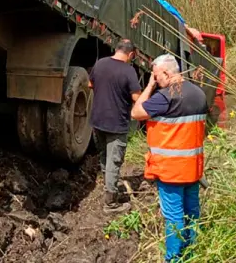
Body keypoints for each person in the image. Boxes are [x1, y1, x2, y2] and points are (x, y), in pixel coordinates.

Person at [132, 54, 208, 262]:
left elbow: (136, 112)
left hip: (171, 171)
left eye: (156, 76)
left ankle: (173, 259)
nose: (156, 81)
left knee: (173, 217)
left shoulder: (165, 96)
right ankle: (191, 254)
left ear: (166, 73)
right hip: (193, 169)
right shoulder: (199, 94)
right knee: (192, 212)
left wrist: (148, 87)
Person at [88, 39, 142, 212]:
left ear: (117, 49)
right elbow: (136, 98)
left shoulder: (101, 63)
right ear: (131, 54)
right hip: (116, 123)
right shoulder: (128, 70)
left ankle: (108, 186)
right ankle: (110, 203)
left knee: (104, 155)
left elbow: (90, 84)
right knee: (114, 161)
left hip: (97, 120)